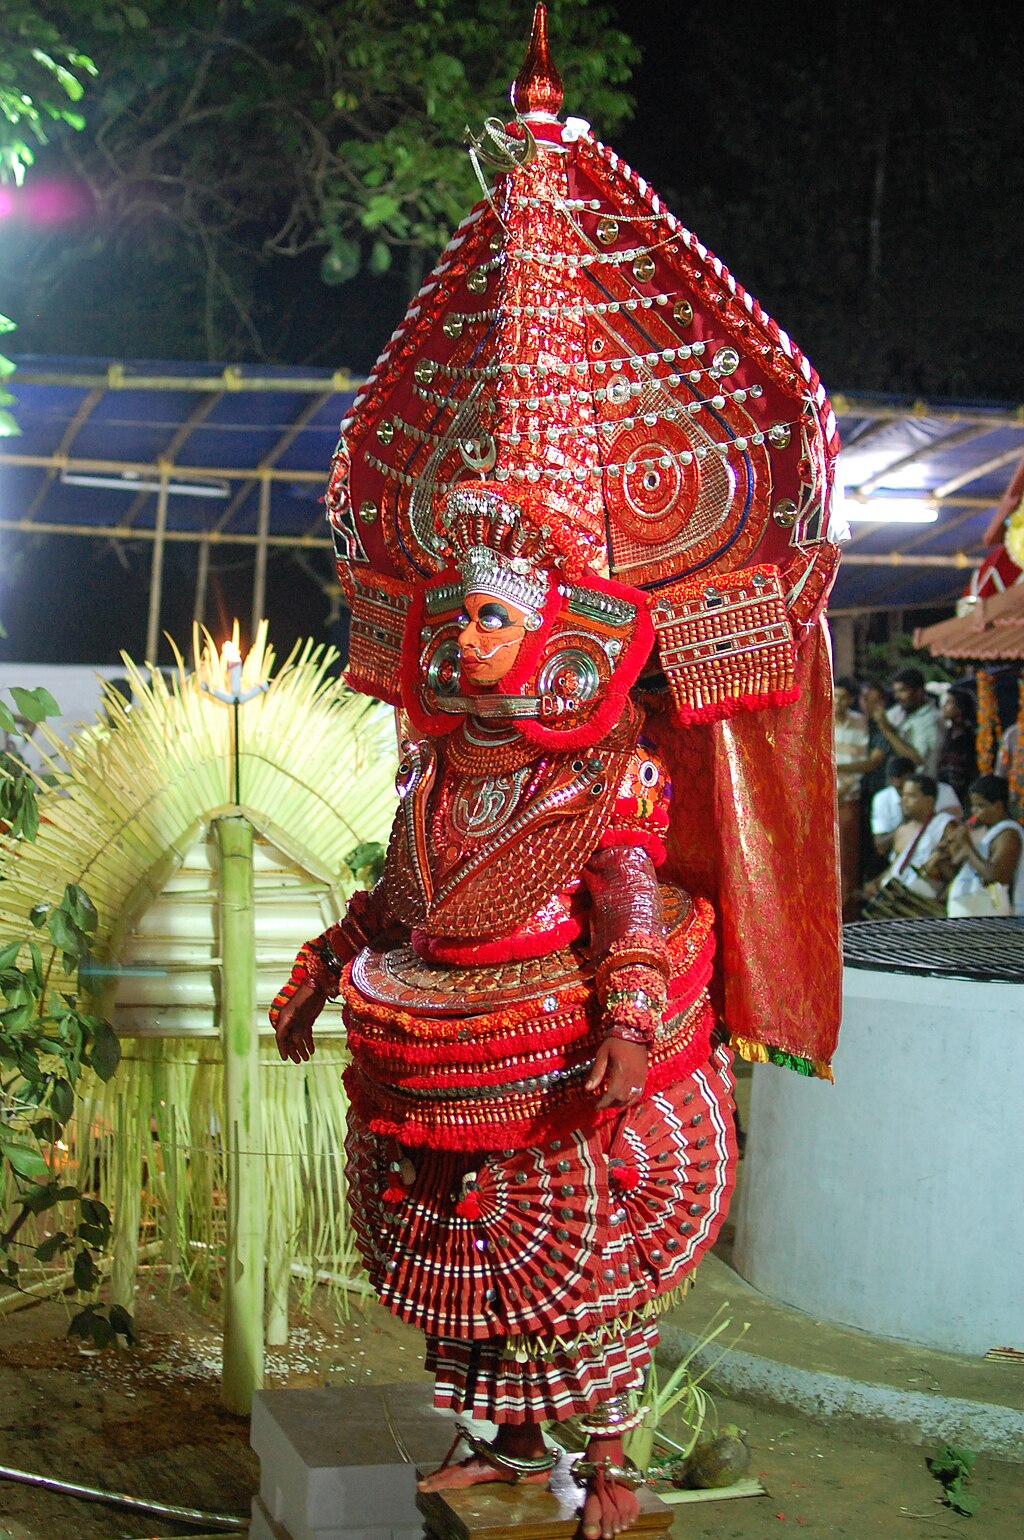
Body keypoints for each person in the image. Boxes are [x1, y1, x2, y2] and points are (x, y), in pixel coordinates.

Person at [268, 14, 844, 1537]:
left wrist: (638, 1007)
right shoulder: (442, 763)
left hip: (559, 1041)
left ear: (571, 638)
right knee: (456, 1267)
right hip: (430, 1028)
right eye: (455, 606)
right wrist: (329, 964)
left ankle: (613, 1467)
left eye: (495, 614)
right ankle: (498, 1443)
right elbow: (406, 876)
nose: (462, 631)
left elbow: (630, 895)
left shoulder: (609, 771)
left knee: (577, 1262)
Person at [868, 774, 959, 901]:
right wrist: (876, 882)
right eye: (903, 795)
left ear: (929, 800)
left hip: (922, 902)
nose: (903, 800)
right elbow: (896, 867)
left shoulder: (945, 825)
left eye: (910, 796)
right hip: (893, 898)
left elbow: (954, 873)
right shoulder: (902, 830)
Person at [945, 774, 1024, 917]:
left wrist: (968, 846)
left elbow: (995, 877)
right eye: (973, 806)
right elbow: (953, 867)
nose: (974, 812)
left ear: (998, 806)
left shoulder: (1009, 833)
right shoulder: (984, 832)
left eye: (980, 806)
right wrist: (947, 848)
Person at [870, 755, 962, 859]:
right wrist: (906, 822)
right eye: (899, 790)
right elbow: (881, 848)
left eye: (910, 795)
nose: (902, 799)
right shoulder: (883, 799)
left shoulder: (944, 794)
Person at [833, 676, 870, 920]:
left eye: (843, 697)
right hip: (823, 799)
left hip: (848, 799)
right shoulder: (820, 715)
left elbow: (861, 764)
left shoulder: (859, 723)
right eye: (836, 696)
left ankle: (847, 915)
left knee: (847, 857)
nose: (838, 701)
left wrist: (841, 783)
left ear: (851, 699)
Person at [864, 666, 944, 777]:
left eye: (902, 691)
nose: (897, 696)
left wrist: (887, 730)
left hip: (920, 786)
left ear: (919, 692)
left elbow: (917, 760)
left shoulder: (932, 720)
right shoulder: (899, 711)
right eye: (895, 691)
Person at [936, 688, 977, 810]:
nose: (944, 706)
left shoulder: (970, 737)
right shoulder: (946, 734)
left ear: (961, 708)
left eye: (949, 703)